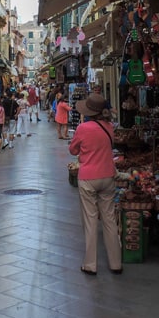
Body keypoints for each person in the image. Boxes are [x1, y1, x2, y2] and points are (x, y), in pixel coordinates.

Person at [68, 93, 122, 275]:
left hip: (88, 178)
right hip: (108, 176)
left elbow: (72, 149)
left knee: (90, 221)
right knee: (109, 220)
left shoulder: (83, 128)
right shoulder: (109, 127)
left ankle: (90, 264)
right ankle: (116, 263)